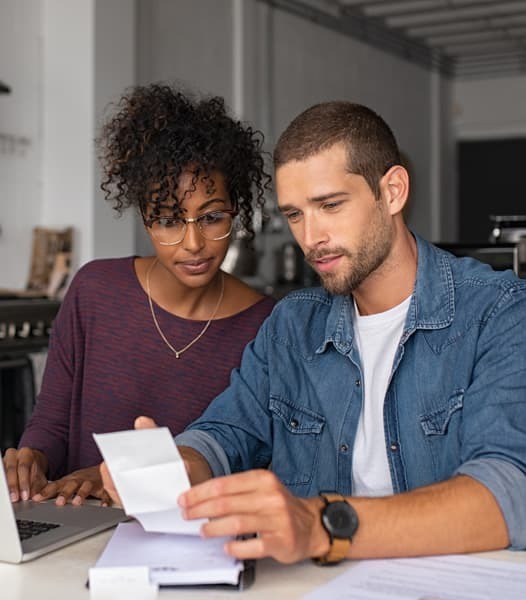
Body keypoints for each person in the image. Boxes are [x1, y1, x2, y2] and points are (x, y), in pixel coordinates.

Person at [102, 100, 526, 564]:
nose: (310, 237)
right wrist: (177, 467)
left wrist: (323, 526)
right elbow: (225, 432)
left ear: (393, 191)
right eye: (296, 214)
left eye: (329, 205)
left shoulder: (499, 311)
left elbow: (508, 494)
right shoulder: (291, 325)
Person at [3, 84, 275, 507]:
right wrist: (32, 458)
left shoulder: (266, 325)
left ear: (236, 212)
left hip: (192, 544)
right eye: (168, 220)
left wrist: (116, 478)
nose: (192, 244)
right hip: (76, 530)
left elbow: (249, 459)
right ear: (145, 220)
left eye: (212, 217)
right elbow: (52, 422)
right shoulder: (95, 291)